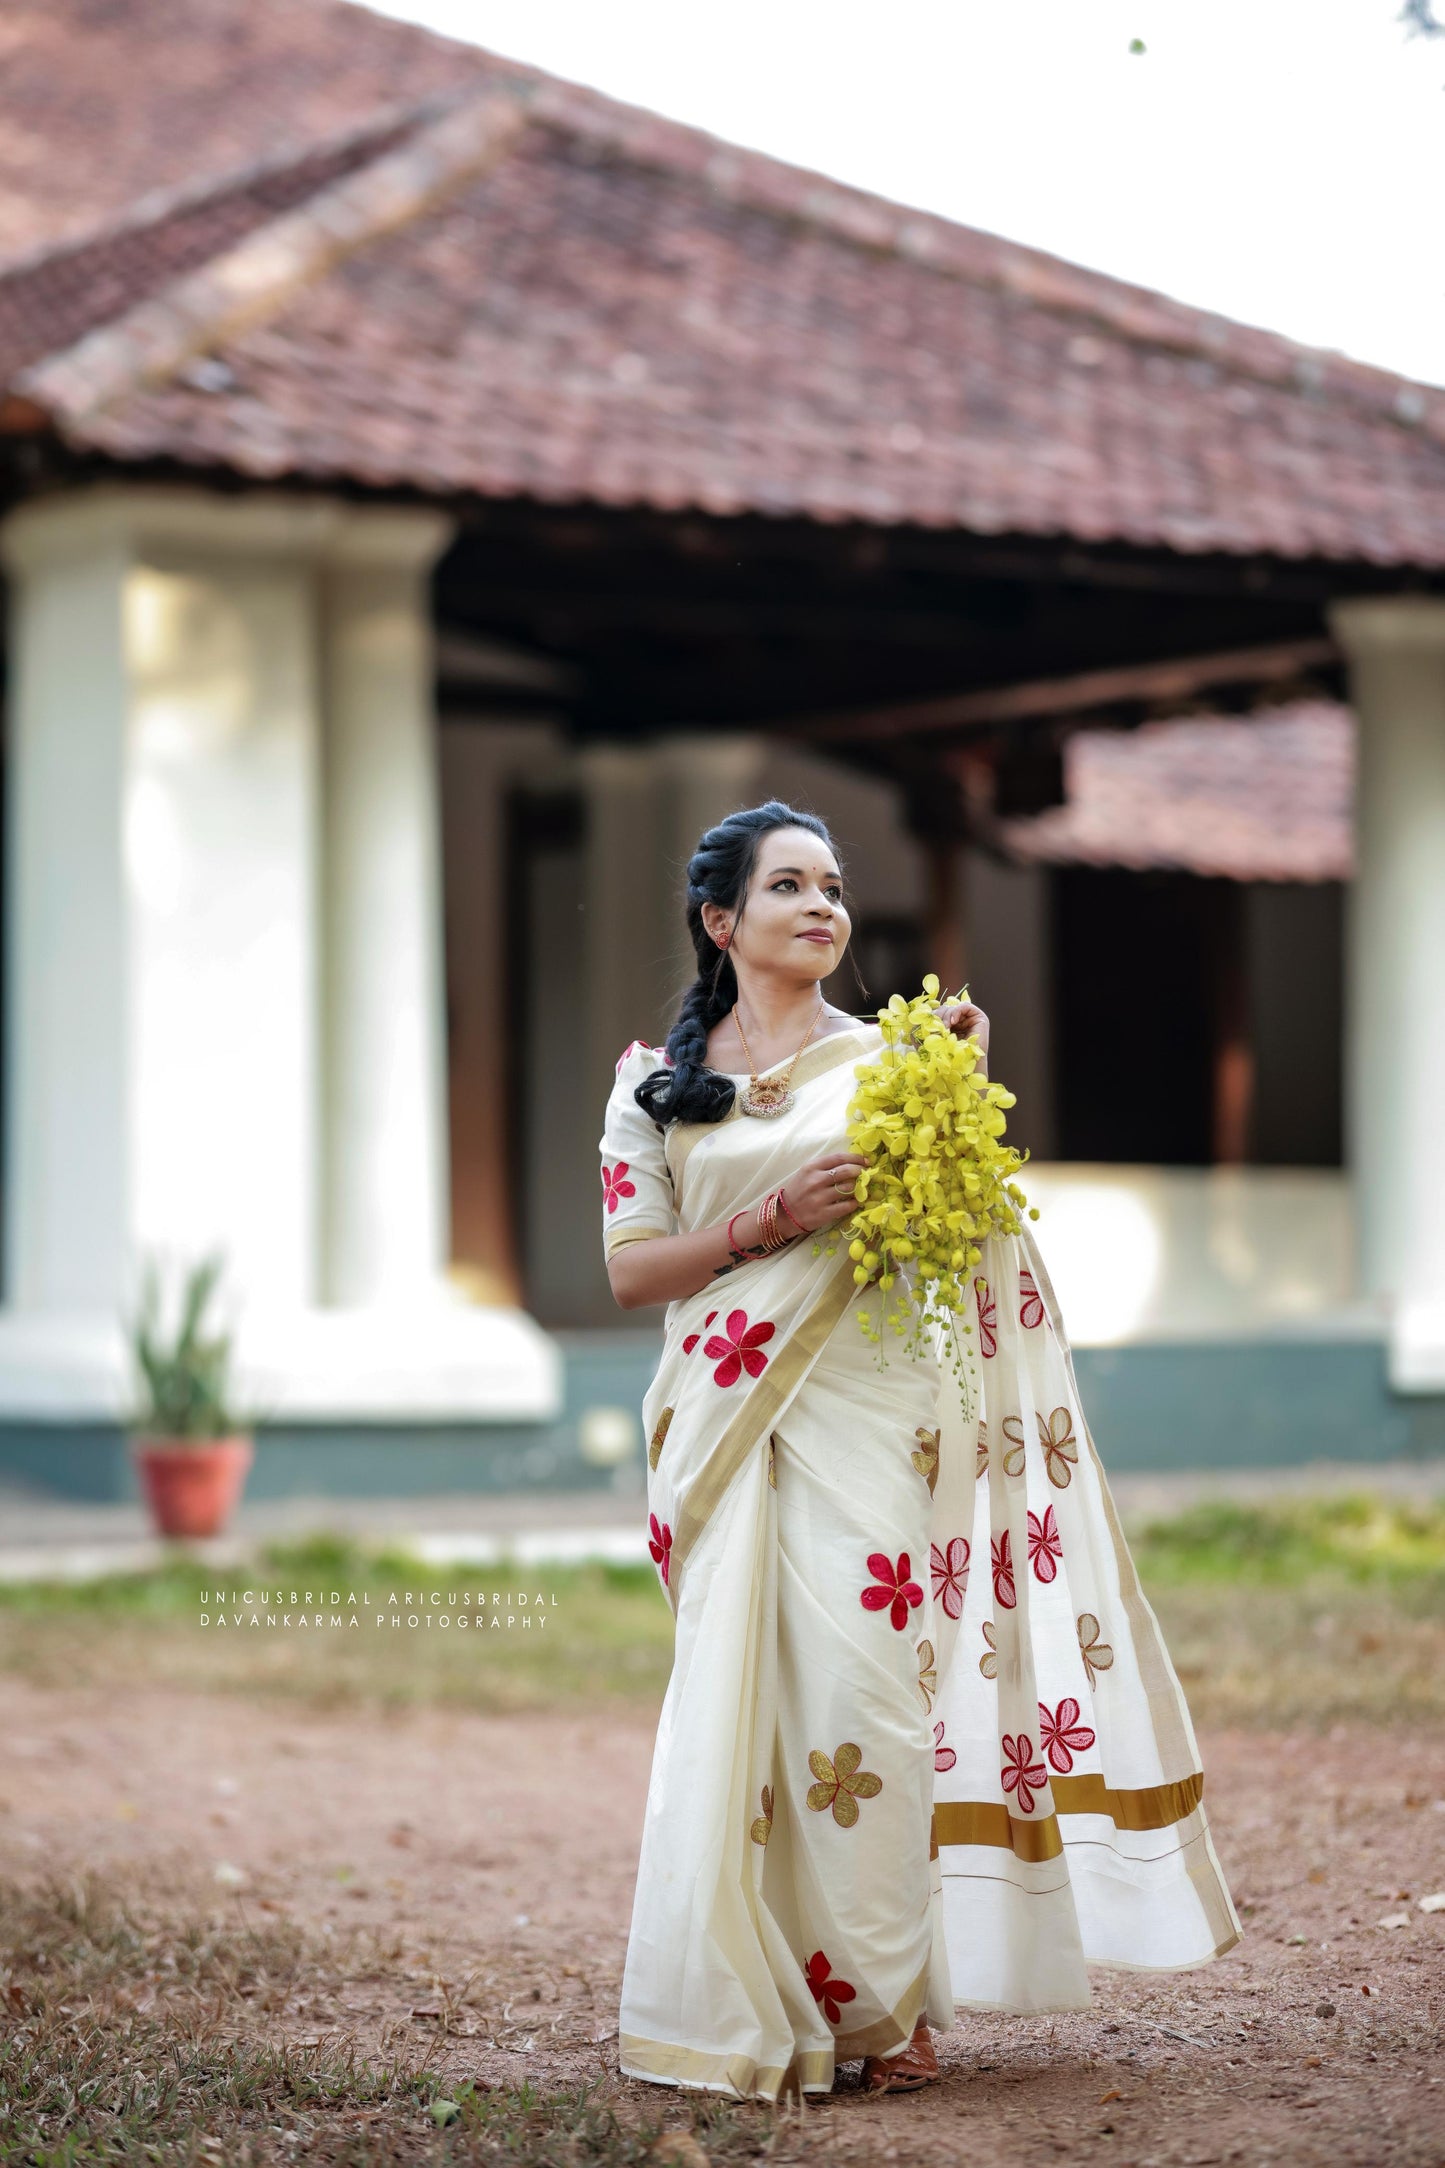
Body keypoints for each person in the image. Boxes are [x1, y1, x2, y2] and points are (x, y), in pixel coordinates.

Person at [598, 800, 1240, 2104]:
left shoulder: (898, 1061)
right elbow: (627, 1273)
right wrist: (766, 1220)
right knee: (748, 1713)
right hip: (724, 1427)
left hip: (875, 1418)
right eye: (787, 887)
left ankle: (882, 2009)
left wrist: (956, 1099)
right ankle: (751, 1990)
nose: (821, 906)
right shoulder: (647, 1086)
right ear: (720, 921)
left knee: (865, 1709)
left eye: (830, 885)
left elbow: (965, 1238)